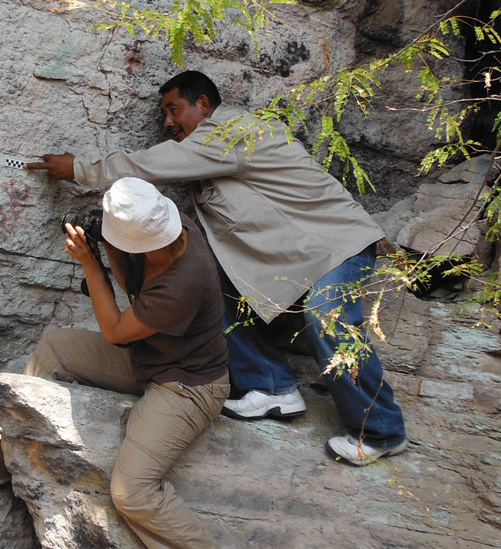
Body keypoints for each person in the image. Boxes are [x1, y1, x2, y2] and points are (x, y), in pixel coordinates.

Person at [24, 70, 408, 467]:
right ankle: (271, 386)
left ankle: (382, 431)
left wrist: (82, 169)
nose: (168, 124)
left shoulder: (238, 131)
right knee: (211, 282)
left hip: (338, 245)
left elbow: (158, 163)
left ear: (204, 104)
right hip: (296, 257)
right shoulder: (211, 156)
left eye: (174, 110)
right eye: (164, 116)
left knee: (326, 317)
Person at [0, 177, 252, 549]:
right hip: (147, 356)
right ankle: (14, 451)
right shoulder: (164, 235)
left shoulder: (186, 279)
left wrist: (90, 264)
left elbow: (116, 330)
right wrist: (104, 249)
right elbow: (132, 287)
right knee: (56, 346)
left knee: (132, 491)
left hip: (185, 384)